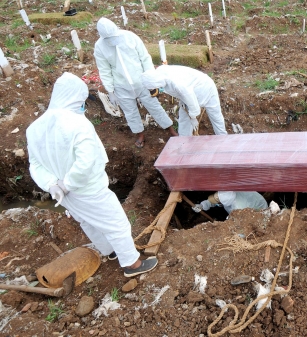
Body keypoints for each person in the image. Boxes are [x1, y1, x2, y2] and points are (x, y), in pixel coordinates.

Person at [26, 73, 157, 278]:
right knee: (117, 224)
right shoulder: (77, 123)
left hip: (63, 194)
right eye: (81, 100)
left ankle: (109, 251)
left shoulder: (33, 128)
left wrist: (52, 185)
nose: (82, 105)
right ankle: (132, 264)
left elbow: (35, 164)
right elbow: (85, 162)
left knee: (87, 221)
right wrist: (68, 183)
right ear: (75, 97)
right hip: (88, 188)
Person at [93, 17, 178, 148]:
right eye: (108, 39)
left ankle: (170, 129)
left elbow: (144, 58)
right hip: (121, 85)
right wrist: (110, 91)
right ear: (102, 37)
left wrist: (150, 78)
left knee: (154, 106)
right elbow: (104, 70)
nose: (112, 41)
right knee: (130, 112)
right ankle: (140, 134)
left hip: (141, 81)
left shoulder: (130, 37)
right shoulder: (100, 47)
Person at [141, 65, 227, 136]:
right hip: (195, 87)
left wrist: (193, 116)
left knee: (215, 116)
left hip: (202, 89)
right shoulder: (159, 73)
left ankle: (223, 140)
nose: (158, 90)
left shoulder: (177, 84)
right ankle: (184, 142)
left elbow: (191, 99)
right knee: (185, 121)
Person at [192, 191, 268, 216]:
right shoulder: (228, 193)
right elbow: (216, 202)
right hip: (252, 200)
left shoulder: (239, 208)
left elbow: (241, 224)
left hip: (260, 209)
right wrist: (202, 205)